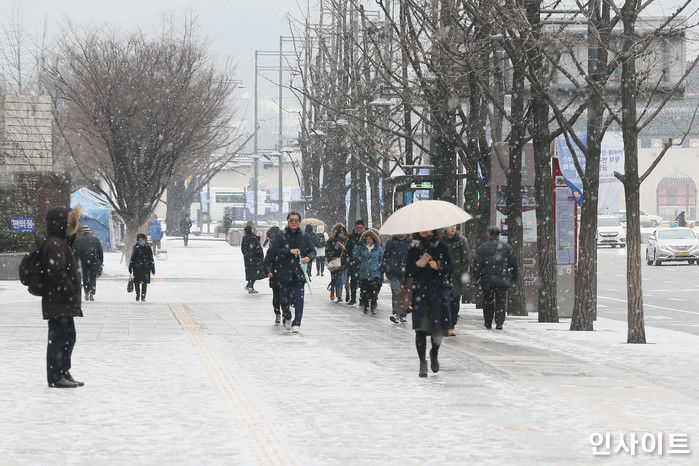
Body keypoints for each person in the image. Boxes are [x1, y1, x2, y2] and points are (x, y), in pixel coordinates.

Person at [42, 206, 84, 388]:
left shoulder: (60, 242)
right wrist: (70, 293)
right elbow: (57, 272)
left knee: (68, 337)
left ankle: (63, 371)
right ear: (62, 224)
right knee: (59, 338)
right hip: (58, 300)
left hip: (61, 301)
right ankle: (55, 376)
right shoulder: (55, 244)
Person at [405, 229, 453, 378]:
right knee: (420, 329)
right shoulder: (413, 248)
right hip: (420, 293)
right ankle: (422, 362)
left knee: (437, 330)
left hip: (438, 294)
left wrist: (437, 267)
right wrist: (418, 264)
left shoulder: (442, 246)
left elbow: (450, 268)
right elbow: (407, 271)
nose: (425, 231)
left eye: (428, 228)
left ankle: (434, 353)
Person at [269, 212, 316, 333]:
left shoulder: (305, 236)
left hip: (299, 273)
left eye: (296, 220)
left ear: (299, 222)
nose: (294, 223)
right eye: (291, 220)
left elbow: (312, 251)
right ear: (288, 221)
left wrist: (308, 258)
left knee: (299, 299)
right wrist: (289, 251)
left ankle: (297, 323)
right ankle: (287, 316)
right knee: (283, 299)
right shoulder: (281, 235)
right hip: (284, 272)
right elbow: (273, 250)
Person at [472, 226, 517, 330]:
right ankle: (499, 322)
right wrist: (513, 276)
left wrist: (476, 277)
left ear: (489, 234)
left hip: (487, 279)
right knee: (501, 301)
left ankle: (488, 322)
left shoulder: (483, 247)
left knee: (488, 301)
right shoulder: (506, 247)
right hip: (502, 279)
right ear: (499, 234)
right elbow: (514, 263)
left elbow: (477, 264)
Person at [443, 225, 470, 336]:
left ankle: (451, 326)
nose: (452, 228)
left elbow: (466, 259)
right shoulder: (440, 241)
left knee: (454, 303)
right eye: (450, 226)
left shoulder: (461, 241)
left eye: (454, 226)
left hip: (456, 278)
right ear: (445, 228)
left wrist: (460, 272)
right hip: (443, 275)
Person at [352, 230, 384, 314]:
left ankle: (373, 306)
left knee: (374, 291)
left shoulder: (378, 249)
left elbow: (382, 259)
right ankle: (366, 305)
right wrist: (357, 246)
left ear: (373, 239)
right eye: (367, 238)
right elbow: (355, 256)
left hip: (375, 273)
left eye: (370, 238)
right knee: (364, 290)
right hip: (364, 273)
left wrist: (378, 266)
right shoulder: (361, 248)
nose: (368, 240)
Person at [383, 234, 411, 323]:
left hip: (407, 273)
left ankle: (403, 314)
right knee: (396, 293)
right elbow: (386, 257)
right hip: (394, 272)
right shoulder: (391, 243)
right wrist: (387, 269)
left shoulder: (410, 242)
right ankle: (396, 313)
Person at [73, 226, 104, 301]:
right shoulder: (95, 239)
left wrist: (76, 262)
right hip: (94, 261)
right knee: (93, 277)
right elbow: (100, 251)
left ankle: (86, 292)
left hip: (84, 261)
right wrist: (101, 261)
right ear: (90, 231)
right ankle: (92, 292)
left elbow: (76, 252)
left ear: (83, 232)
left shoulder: (78, 240)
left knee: (85, 277)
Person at [129, 233, 155, 302]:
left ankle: (143, 296)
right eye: (139, 240)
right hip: (136, 268)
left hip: (145, 268)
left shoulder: (148, 247)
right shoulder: (135, 247)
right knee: (136, 282)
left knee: (144, 283)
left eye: (142, 240)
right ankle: (138, 294)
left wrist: (152, 268)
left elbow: (151, 258)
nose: (141, 241)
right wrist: (130, 266)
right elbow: (132, 257)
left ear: (145, 240)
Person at [345, 219, 366, 305]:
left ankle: (362, 298)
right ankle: (353, 297)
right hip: (354, 262)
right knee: (353, 280)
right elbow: (348, 249)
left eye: (361, 228)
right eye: (357, 228)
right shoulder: (351, 236)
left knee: (363, 281)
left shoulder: (368, 235)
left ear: (364, 227)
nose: (359, 230)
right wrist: (350, 259)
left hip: (365, 261)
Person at [326, 223, 349, 302]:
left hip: (343, 262)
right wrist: (335, 247)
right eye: (340, 232)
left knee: (342, 279)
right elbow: (328, 252)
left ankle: (340, 294)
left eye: (343, 232)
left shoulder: (347, 240)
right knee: (334, 278)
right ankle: (334, 291)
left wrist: (344, 248)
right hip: (335, 263)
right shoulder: (331, 241)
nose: (341, 234)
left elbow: (348, 253)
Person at [263, 226, 282, 323]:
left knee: (277, 296)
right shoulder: (274, 248)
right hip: (278, 274)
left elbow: (266, 261)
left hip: (279, 274)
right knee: (279, 295)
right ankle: (279, 313)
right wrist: (269, 271)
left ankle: (279, 312)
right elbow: (266, 262)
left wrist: (269, 271)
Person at [241, 224, 264, 293]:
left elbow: (243, 249)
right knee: (255, 273)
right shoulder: (253, 238)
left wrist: (246, 255)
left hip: (248, 258)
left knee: (249, 272)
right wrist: (261, 256)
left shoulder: (244, 238)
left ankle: (251, 287)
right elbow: (258, 248)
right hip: (255, 258)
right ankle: (249, 285)